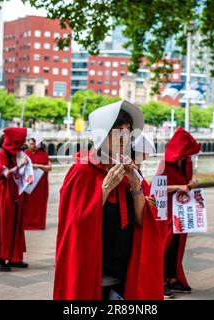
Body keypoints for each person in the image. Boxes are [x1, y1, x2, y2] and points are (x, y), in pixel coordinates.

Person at [53, 100, 164, 300]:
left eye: (128, 130)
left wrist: (136, 188)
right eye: (118, 130)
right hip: (95, 271)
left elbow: (141, 222)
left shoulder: (129, 170)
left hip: (124, 270)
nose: (125, 136)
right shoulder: (81, 171)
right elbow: (75, 226)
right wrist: (105, 188)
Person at [155, 128, 200, 298]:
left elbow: (187, 183)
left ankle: (172, 278)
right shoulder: (164, 164)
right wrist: (178, 187)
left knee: (177, 245)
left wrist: (192, 183)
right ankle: (161, 282)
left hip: (181, 210)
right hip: (166, 211)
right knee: (166, 245)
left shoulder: (187, 162)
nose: (187, 156)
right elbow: (156, 189)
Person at [0, 127, 29, 272]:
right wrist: (20, 166)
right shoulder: (3, 153)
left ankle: (14, 257)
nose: (23, 143)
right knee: (3, 224)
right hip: (4, 192)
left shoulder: (19, 153)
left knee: (15, 223)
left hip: (16, 192)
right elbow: (4, 173)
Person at [23, 134, 52, 230]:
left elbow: (49, 167)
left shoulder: (43, 154)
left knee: (39, 204)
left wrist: (38, 165)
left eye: (32, 144)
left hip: (40, 184)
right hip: (28, 183)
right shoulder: (25, 154)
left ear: (37, 145)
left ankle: (38, 224)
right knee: (27, 204)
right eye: (29, 143)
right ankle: (26, 223)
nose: (30, 145)